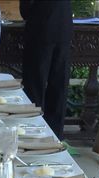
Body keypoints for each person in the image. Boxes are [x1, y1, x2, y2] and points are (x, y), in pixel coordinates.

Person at [20, 0, 73, 139]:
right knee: (59, 86)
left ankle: (31, 133)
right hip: (63, 25)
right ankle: (54, 137)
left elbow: (25, 9)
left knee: (34, 86)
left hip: (40, 26)